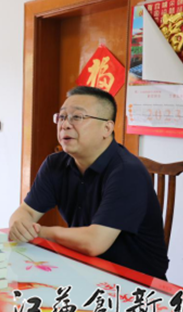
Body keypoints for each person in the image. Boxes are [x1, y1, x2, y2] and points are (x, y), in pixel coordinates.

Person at [9, 86, 169, 280]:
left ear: (106, 128)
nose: (65, 125)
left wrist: (40, 232)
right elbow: (26, 211)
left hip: (135, 282)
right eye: (62, 117)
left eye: (77, 117)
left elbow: (94, 243)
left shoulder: (127, 171)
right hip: (84, 268)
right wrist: (20, 225)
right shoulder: (55, 164)